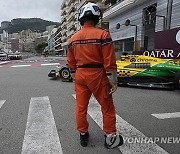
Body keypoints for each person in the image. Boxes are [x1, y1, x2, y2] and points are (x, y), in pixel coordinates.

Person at [67, 2, 123, 149]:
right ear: (97, 17)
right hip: (97, 74)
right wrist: (113, 80)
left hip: (80, 75)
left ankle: (83, 134)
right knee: (107, 107)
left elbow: (70, 62)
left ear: (81, 19)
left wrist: (74, 75)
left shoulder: (73, 39)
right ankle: (110, 136)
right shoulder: (103, 35)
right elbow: (109, 61)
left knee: (81, 107)